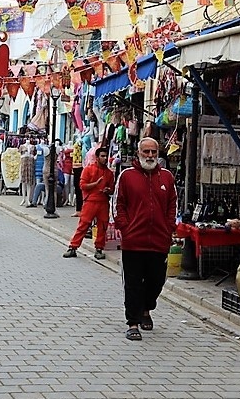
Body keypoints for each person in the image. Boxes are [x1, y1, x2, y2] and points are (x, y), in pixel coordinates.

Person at [114, 137, 177, 341]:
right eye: (146, 152)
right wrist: (126, 228)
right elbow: (118, 204)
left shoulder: (167, 177)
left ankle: (146, 309)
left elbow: (172, 206)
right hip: (134, 241)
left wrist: (168, 229)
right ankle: (133, 323)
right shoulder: (127, 176)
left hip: (159, 241)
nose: (150, 156)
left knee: (156, 281)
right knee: (133, 283)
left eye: (153, 152)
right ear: (138, 153)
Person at [63, 146, 115, 260]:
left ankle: (99, 248)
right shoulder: (88, 169)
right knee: (83, 225)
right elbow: (82, 186)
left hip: (103, 202)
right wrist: (95, 184)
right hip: (91, 201)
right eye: (102, 156)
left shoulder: (109, 173)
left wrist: (108, 190)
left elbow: (112, 189)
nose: (105, 158)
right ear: (97, 157)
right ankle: (73, 247)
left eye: (106, 156)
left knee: (102, 226)